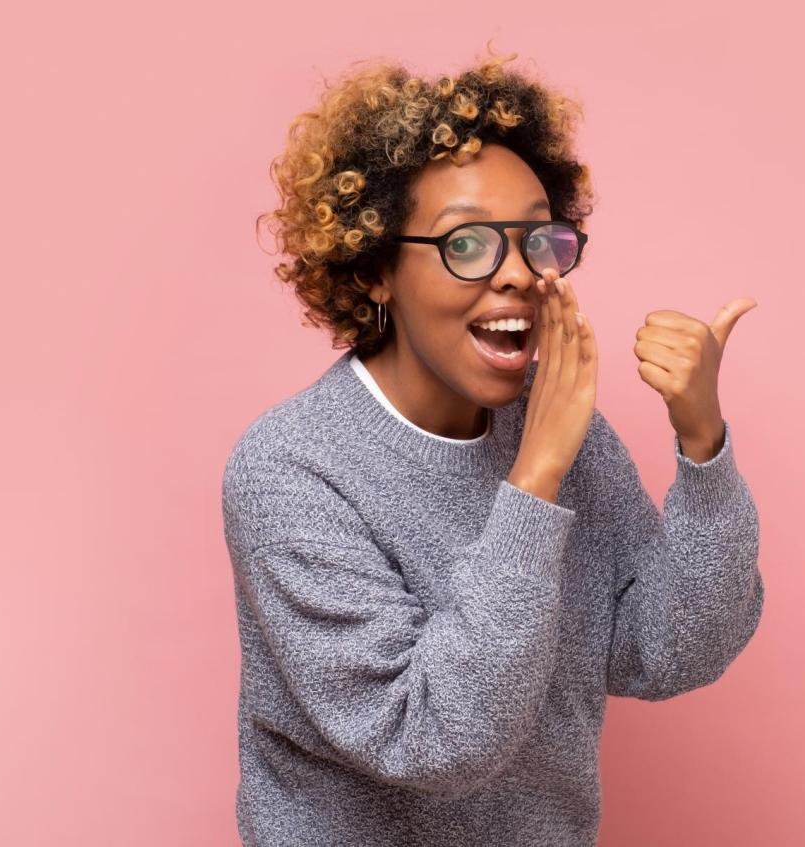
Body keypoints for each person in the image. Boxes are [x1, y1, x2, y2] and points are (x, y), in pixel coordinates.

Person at [223, 47, 765, 847]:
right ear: (375, 267)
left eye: (539, 240)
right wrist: (534, 476)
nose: (518, 272)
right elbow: (432, 739)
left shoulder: (560, 427)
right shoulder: (289, 471)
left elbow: (667, 649)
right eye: (468, 243)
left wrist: (702, 441)